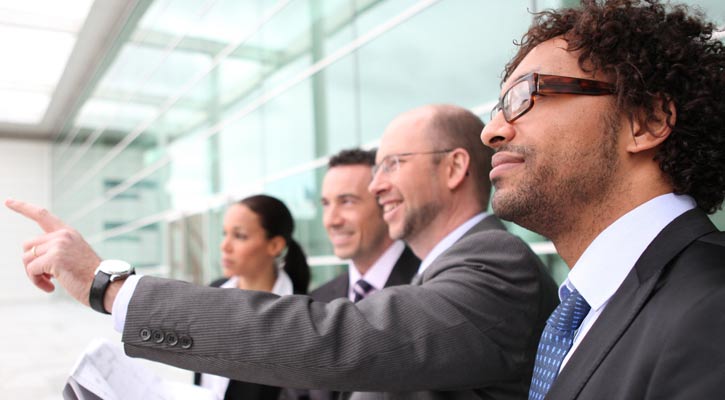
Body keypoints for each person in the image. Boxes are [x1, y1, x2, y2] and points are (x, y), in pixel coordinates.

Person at [7, 104, 558, 399]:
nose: (377, 185)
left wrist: (112, 287)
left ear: (456, 167)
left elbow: (340, 341)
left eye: (392, 164)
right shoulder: (447, 275)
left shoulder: (495, 265)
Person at [479, 1, 725, 399]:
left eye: (525, 95)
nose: (491, 131)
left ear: (647, 121)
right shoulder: (580, 313)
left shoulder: (713, 308)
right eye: (499, 107)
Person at [300, 148, 419, 400]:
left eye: (347, 201)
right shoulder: (317, 299)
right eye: (325, 204)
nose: (331, 220)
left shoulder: (428, 287)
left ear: (386, 204)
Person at [194, 194, 310, 400]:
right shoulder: (213, 292)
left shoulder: (301, 314)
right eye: (225, 234)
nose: (225, 246)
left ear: (274, 246)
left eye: (239, 236)